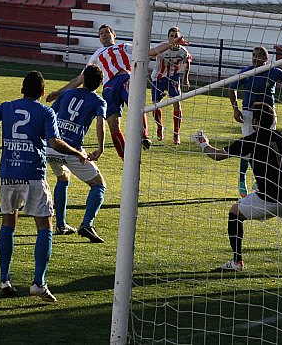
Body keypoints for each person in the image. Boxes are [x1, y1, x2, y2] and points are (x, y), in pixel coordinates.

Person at [0, 71, 87, 302]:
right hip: (33, 175)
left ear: (22, 89)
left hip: (8, 174)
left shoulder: (7, 106)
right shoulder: (46, 111)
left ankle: (5, 279)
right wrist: (76, 152)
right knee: (45, 227)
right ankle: (38, 282)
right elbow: (54, 142)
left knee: (8, 223)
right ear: (43, 92)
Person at [191, 102, 282, 277]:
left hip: (269, 198)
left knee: (235, 212)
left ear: (255, 121)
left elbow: (216, 155)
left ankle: (237, 261)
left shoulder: (251, 140)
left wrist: (203, 143)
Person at [46, 24, 188, 160]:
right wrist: (58, 93)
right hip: (109, 87)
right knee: (113, 124)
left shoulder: (124, 47)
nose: (104, 35)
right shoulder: (96, 55)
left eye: (107, 32)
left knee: (134, 103)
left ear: (114, 35)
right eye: (101, 34)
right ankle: (126, 160)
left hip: (125, 78)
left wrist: (172, 43)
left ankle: (144, 135)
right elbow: (80, 79)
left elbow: (149, 52)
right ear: (99, 38)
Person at [228, 46, 282, 197]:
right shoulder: (246, 72)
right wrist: (235, 109)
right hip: (249, 114)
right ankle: (242, 179)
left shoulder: (273, 71)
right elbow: (231, 88)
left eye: (258, 56)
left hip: (268, 115)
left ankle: (259, 181)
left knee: (267, 148)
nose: (255, 58)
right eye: (253, 55)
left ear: (265, 59)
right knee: (248, 147)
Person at [47, 65, 108, 243]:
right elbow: (99, 123)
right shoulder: (98, 101)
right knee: (99, 185)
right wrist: (100, 148)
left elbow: (50, 114)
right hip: (71, 150)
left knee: (63, 178)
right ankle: (86, 224)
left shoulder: (66, 94)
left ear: (82, 79)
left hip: (51, 147)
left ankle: (61, 225)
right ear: (100, 83)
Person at [151, 27, 192, 145]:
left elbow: (187, 62)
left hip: (173, 78)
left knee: (177, 103)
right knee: (155, 105)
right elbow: (151, 54)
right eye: (172, 36)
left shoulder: (183, 51)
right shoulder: (162, 48)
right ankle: (159, 127)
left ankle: (176, 134)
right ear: (168, 38)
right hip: (158, 78)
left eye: (176, 36)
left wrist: (185, 79)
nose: (174, 38)